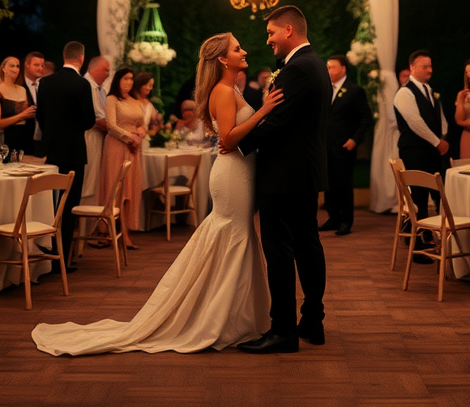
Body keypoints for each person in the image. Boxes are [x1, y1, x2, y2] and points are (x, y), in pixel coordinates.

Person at [31, 32, 283, 356]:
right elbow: (231, 139)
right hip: (233, 174)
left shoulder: (231, 88)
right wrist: (263, 112)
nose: (244, 50)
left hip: (240, 172)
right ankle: (220, 317)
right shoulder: (223, 90)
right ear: (222, 59)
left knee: (238, 236)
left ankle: (237, 315)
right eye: (237, 48)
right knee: (233, 236)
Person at [237, 5, 330, 354]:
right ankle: (312, 321)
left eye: (271, 33)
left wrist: (236, 142)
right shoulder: (313, 65)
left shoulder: (299, 69)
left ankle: (283, 331)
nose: (268, 40)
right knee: (307, 245)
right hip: (303, 172)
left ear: (288, 29)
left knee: (280, 251)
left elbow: (278, 125)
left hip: (285, 175)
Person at [36, 41, 96, 268]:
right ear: (81, 59)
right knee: (69, 204)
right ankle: (64, 258)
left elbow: (40, 117)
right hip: (73, 151)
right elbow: (89, 120)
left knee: (50, 203)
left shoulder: (46, 83)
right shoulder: (81, 84)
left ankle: (48, 255)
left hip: (50, 151)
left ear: (64, 56)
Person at [393, 50, 449, 227]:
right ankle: (417, 245)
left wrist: (443, 135)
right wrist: (437, 142)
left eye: (430, 66)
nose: (429, 70)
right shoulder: (405, 93)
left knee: (438, 195)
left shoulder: (428, 90)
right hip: (415, 151)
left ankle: (436, 238)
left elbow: (437, 117)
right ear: (412, 68)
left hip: (430, 151)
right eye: (424, 66)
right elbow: (415, 122)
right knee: (419, 199)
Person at [319, 54, 372, 236]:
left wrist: (355, 139)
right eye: (327, 67)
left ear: (343, 69)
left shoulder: (355, 91)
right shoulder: (326, 89)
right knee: (329, 185)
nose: (328, 71)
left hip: (344, 146)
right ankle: (333, 218)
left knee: (343, 184)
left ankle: (346, 220)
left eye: (332, 67)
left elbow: (365, 118)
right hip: (326, 146)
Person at [98, 67, 146, 248]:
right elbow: (111, 125)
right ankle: (108, 231)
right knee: (115, 189)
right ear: (118, 80)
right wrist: (130, 137)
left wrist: (139, 135)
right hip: (117, 147)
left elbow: (143, 123)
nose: (129, 82)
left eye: (131, 79)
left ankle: (125, 233)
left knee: (129, 191)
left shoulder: (134, 101)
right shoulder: (111, 99)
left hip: (133, 149)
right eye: (126, 78)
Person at [81, 56, 111, 208]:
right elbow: (98, 119)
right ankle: (86, 218)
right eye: (106, 70)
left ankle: (93, 218)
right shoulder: (86, 86)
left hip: (99, 138)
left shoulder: (100, 89)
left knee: (96, 178)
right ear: (94, 69)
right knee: (90, 178)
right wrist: (119, 131)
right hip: (90, 136)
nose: (108, 73)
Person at [0, 56, 37, 152]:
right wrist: (21, 116)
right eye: (11, 66)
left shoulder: (22, 89)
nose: (15, 69)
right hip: (7, 139)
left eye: (17, 66)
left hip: (25, 137)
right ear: (3, 69)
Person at [21, 50, 45, 155]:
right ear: (27, 65)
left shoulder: (43, 85)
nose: (40, 68)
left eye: (42, 65)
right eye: (36, 65)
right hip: (23, 139)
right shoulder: (20, 85)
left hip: (40, 140)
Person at [132, 71, 162, 150]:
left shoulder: (150, 105)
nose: (150, 88)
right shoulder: (130, 102)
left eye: (151, 85)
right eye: (148, 85)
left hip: (145, 140)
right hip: (131, 139)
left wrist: (157, 125)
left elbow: (155, 124)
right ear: (140, 84)